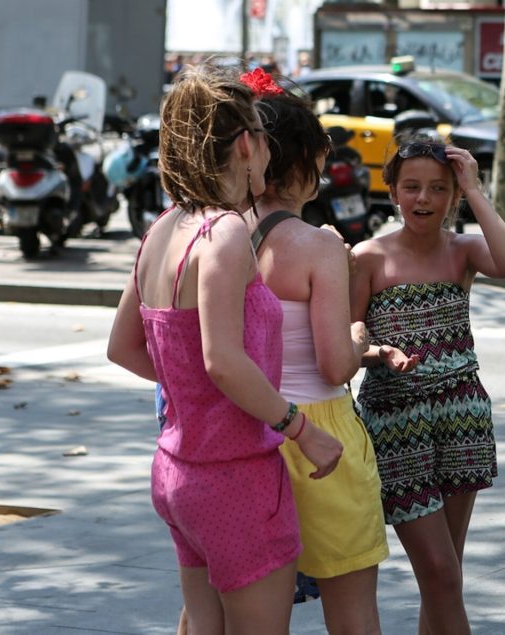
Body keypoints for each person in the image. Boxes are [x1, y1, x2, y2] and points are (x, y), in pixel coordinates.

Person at [106, 63, 343, 634]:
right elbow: (223, 359)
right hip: (236, 476)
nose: (268, 154)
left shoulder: (164, 228)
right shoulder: (224, 230)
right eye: (264, 140)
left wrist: (195, 399)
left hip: (178, 472)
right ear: (245, 144)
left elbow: (125, 346)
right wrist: (301, 429)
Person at [244, 68, 407, 632]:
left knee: (230, 611)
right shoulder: (318, 245)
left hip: (248, 429)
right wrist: (362, 338)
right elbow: (336, 363)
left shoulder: (217, 234)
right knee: (352, 611)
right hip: (323, 433)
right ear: (304, 160)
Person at [350, 136, 505, 633]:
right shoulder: (368, 257)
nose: (423, 199)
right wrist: (379, 352)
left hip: (461, 417)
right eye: (411, 187)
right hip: (396, 423)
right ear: (392, 191)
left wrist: (474, 187)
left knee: (446, 575)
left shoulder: (464, 249)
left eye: (437, 189)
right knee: (441, 574)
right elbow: (344, 341)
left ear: (453, 195)